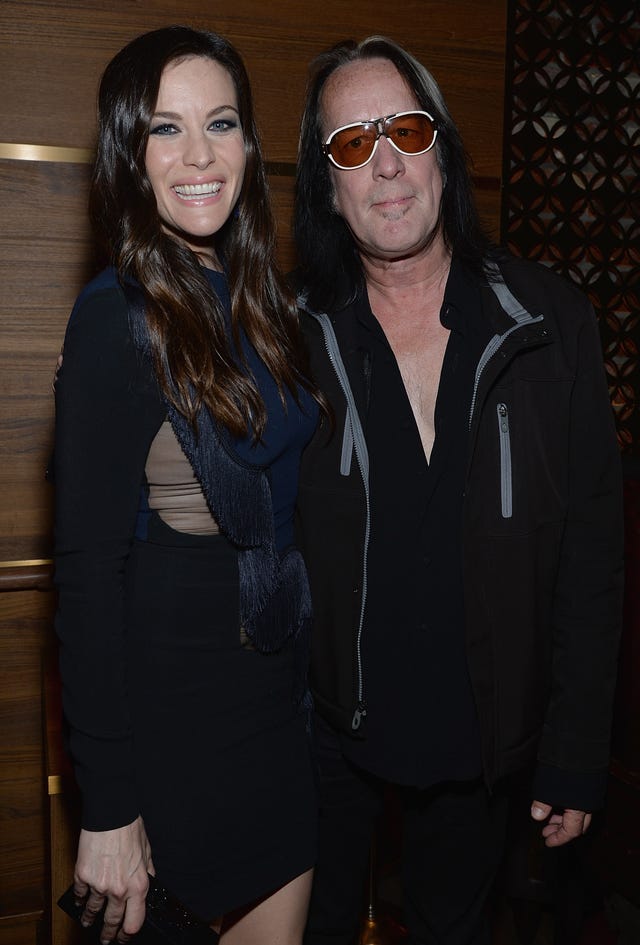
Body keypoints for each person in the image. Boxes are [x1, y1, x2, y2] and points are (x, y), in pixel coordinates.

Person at [292, 36, 624, 945]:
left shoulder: (550, 324)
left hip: (481, 748)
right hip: (323, 738)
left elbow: (592, 557)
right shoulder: (287, 340)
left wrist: (574, 750)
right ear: (328, 187)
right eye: (352, 144)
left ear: (443, 148)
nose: (387, 162)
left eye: (405, 128)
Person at [53, 25, 322, 945]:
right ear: (129, 152)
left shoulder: (269, 308)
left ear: (251, 144)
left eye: (221, 123)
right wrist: (107, 805)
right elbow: (85, 574)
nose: (199, 155)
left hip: (275, 723)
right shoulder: (113, 319)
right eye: (166, 129)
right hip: (166, 742)